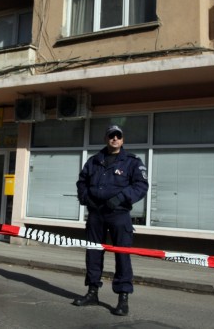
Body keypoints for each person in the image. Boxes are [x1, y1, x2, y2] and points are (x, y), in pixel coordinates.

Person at [72, 124, 149, 316]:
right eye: (111, 136)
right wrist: (86, 198)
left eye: (118, 136)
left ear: (122, 140)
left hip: (119, 215)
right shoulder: (94, 161)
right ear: (106, 139)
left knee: (122, 255)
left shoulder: (132, 162)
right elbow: (82, 182)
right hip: (96, 214)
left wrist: (119, 199)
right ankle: (92, 292)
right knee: (93, 253)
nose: (114, 139)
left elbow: (141, 185)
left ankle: (123, 298)